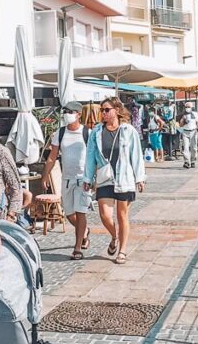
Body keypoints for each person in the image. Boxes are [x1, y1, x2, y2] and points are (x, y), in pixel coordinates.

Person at [82, 97, 146, 265]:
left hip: (124, 178)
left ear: (116, 110)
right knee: (104, 215)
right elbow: (90, 157)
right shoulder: (96, 132)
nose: (103, 113)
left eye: (106, 109)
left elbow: (136, 155)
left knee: (122, 215)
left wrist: (140, 178)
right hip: (104, 178)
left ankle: (122, 250)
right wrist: (87, 178)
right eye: (101, 110)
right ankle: (114, 236)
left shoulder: (128, 130)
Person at [42, 101, 92, 260]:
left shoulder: (87, 133)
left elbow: (93, 156)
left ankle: (77, 248)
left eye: (70, 111)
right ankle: (84, 231)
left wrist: (93, 178)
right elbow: (52, 156)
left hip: (83, 179)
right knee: (69, 214)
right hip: (67, 179)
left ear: (78, 114)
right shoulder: (60, 133)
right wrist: (45, 175)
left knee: (81, 212)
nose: (67, 114)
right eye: (65, 111)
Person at [178, 101, 198, 169]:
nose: (187, 108)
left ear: (192, 107)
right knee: (185, 147)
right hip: (185, 132)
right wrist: (183, 120)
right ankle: (186, 161)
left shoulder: (195, 114)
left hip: (193, 131)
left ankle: (193, 161)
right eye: (186, 107)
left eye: (189, 107)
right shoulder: (183, 114)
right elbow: (180, 125)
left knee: (194, 148)